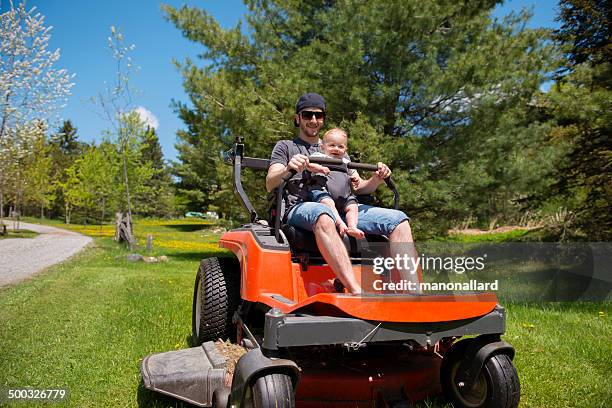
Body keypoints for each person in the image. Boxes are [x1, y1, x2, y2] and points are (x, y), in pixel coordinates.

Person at [266, 93, 418, 294]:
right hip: (301, 206)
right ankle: (356, 291)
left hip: (345, 207)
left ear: (323, 119)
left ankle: (414, 293)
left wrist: (377, 179)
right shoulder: (285, 147)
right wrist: (287, 169)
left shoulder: (338, 151)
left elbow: (359, 188)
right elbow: (270, 183)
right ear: (298, 118)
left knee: (399, 220)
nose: (313, 120)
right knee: (323, 214)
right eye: (307, 115)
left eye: (318, 116)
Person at [306, 128, 365, 239]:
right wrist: (319, 168)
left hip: (344, 196)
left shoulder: (345, 161)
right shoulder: (319, 156)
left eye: (340, 146)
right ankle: (340, 223)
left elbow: (353, 171)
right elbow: (308, 165)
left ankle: (352, 226)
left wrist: (355, 177)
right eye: (332, 145)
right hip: (324, 191)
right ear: (323, 147)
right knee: (328, 203)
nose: (336, 149)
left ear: (345, 150)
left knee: (353, 206)